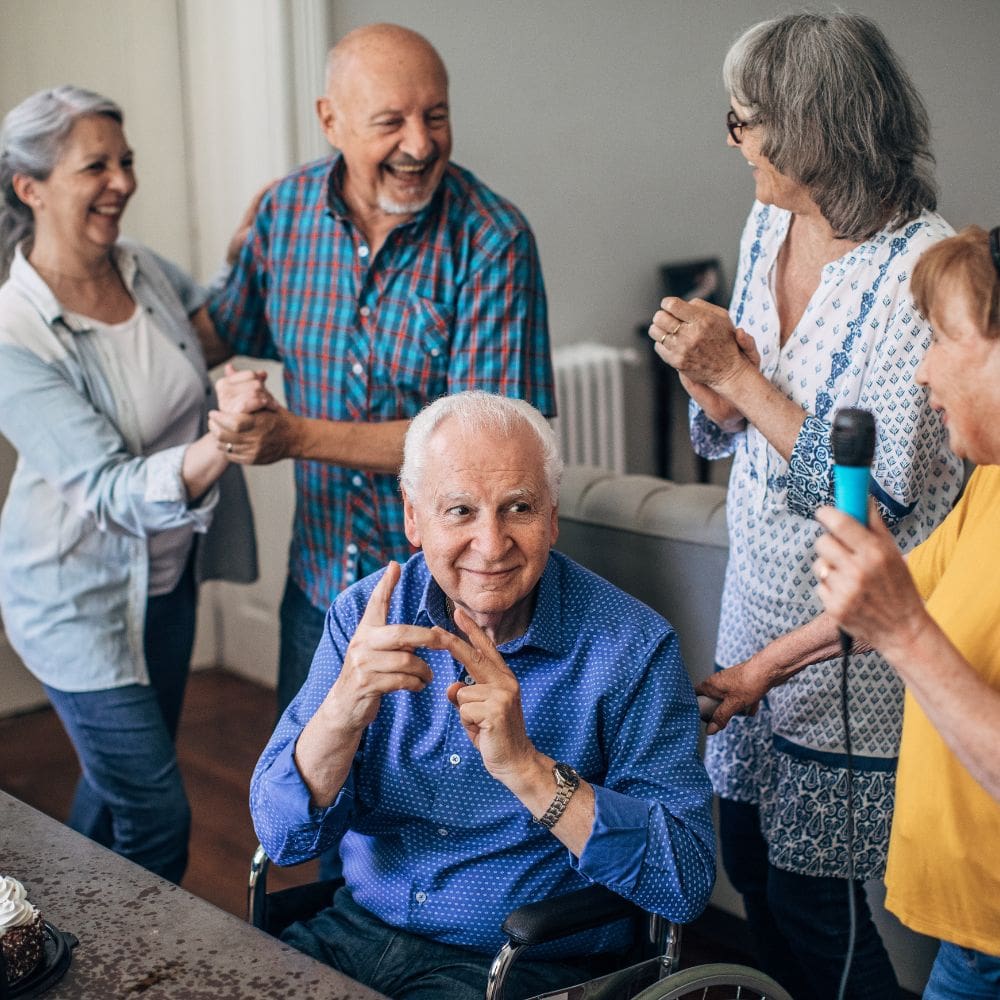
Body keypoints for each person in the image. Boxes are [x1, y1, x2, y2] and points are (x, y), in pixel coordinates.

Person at [647, 12, 964, 997]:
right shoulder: (766, 221)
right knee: (747, 868)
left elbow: (879, 486)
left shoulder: (922, 267)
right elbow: (744, 415)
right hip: (755, 606)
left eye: (745, 120)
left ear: (810, 129)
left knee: (817, 911)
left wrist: (736, 383)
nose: (734, 139)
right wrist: (709, 378)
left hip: (849, 645)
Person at [250, 391, 714, 1000]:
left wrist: (527, 769)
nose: (492, 545)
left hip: (515, 962)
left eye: (517, 508)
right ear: (414, 519)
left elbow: (682, 880)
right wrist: (342, 710)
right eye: (460, 511)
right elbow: (283, 839)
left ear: (552, 516)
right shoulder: (363, 619)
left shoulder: (632, 649)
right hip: (355, 931)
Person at [202, 23, 555, 718]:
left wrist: (293, 437)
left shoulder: (492, 239)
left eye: (436, 117)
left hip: (450, 605)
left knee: (439, 819)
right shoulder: (285, 214)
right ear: (330, 121)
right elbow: (215, 333)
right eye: (391, 122)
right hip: (318, 589)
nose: (420, 145)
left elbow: (487, 441)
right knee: (304, 801)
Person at [702, 226, 1000, 999]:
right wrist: (759, 673)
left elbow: (903, 617)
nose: (926, 367)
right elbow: (910, 587)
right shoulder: (994, 487)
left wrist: (901, 631)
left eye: (942, 339)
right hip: (973, 935)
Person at [0, 86, 257, 884]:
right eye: (96, 166)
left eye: (126, 161)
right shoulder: (13, 334)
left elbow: (200, 337)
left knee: (117, 795)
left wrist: (253, 252)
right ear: (30, 186)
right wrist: (225, 442)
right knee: (155, 813)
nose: (122, 181)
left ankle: (50, 933)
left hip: (163, 580)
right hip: (74, 597)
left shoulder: (142, 271)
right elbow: (108, 486)